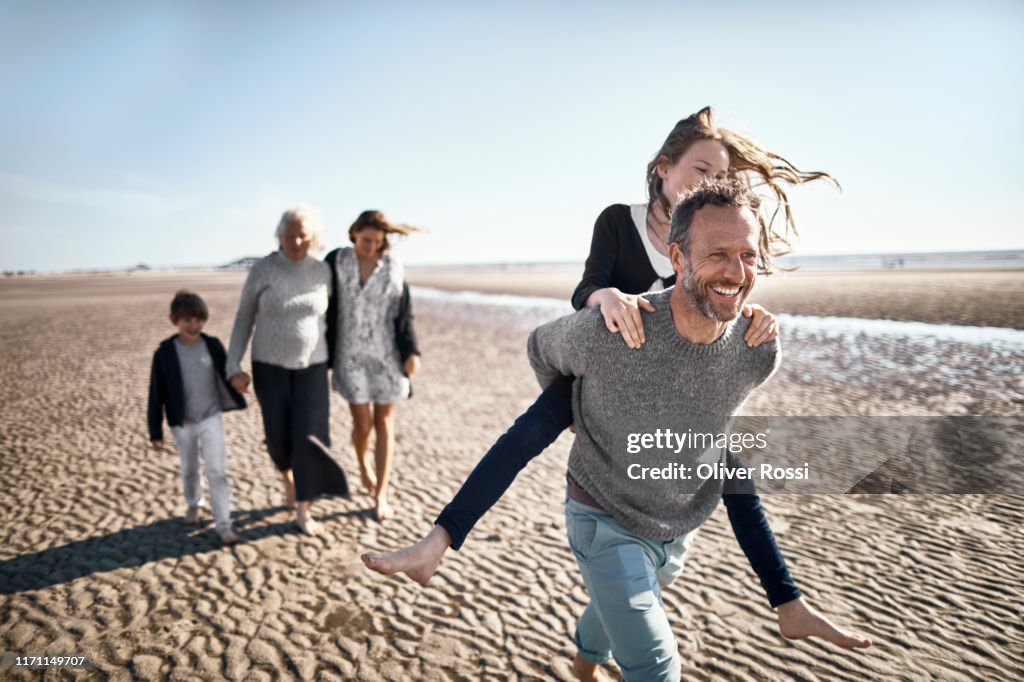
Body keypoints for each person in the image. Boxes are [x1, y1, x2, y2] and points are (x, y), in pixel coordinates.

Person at [362, 108, 862, 661]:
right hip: (605, 344)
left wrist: (745, 309)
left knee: (723, 450)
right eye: (699, 171)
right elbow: (588, 287)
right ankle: (440, 540)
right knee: (530, 432)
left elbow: (721, 283)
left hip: (673, 380)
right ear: (662, 171)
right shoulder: (622, 222)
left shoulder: (714, 240)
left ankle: (610, 648)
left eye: (721, 177)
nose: (710, 184)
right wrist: (602, 313)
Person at [528, 179, 870, 679]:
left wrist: (785, 597)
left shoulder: (757, 351)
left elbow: (719, 453)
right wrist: (579, 416)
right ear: (678, 257)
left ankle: (584, 663)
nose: (737, 271)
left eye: (748, 255)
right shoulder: (620, 326)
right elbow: (541, 349)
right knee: (658, 665)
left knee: (617, 600)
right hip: (600, 513)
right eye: (717, 253)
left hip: (675, 524)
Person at [226, 205, 349, 537]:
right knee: (279, 439)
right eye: (289, 234)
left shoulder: (323, 272)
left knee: (308, 439)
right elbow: (243, 318)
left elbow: (338, 319)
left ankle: (303, 509)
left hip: (313, 367)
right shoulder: (263, 271)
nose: (295, 240)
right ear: (278, 235)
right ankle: (288, 477)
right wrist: (232, 364)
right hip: (269, 366)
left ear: (313, 237)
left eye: (302, 235)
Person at [325, 210, 422, 522]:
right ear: (354, 233)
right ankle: (363, 464)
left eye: (378, 242)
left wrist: (412, 351)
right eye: (367, 240)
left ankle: (381, 493)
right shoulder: (336, 261)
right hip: (349, 355)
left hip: (387, 355)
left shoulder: (393, 266)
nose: (371, 247)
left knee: (384, 422)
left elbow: (403, 312)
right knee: (362, 425)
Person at [147, 290, 245, 545]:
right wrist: (155, 431)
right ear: (174, 320)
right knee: (190, 467)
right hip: (182, 422)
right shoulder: (165, 353)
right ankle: (194, 504)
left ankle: (224, 524)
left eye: (198, 319)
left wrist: (239, 382)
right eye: (187, 320)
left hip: (210, 417)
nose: (193, 325)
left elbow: (228, 373)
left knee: (216, 471)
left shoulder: (211, 345)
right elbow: (155, 393)